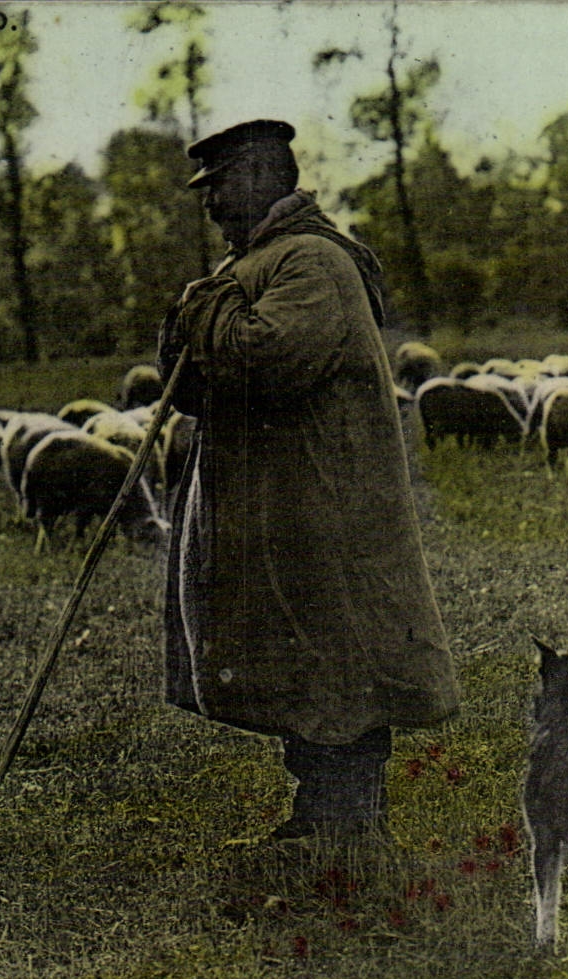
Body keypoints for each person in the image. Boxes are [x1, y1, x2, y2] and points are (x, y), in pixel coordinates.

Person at [158, 120, 458, 841]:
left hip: (325, 503)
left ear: (264, 176)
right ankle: (324, 815)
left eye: (221, 184)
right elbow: (197, 383)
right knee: (303, 656)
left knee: (335, 653)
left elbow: (265, 360)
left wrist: (208, 306)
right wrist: (197, 319)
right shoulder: (257, 262)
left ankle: (347, 823)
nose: (209, 202)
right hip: (287, 502)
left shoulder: (311, 262)